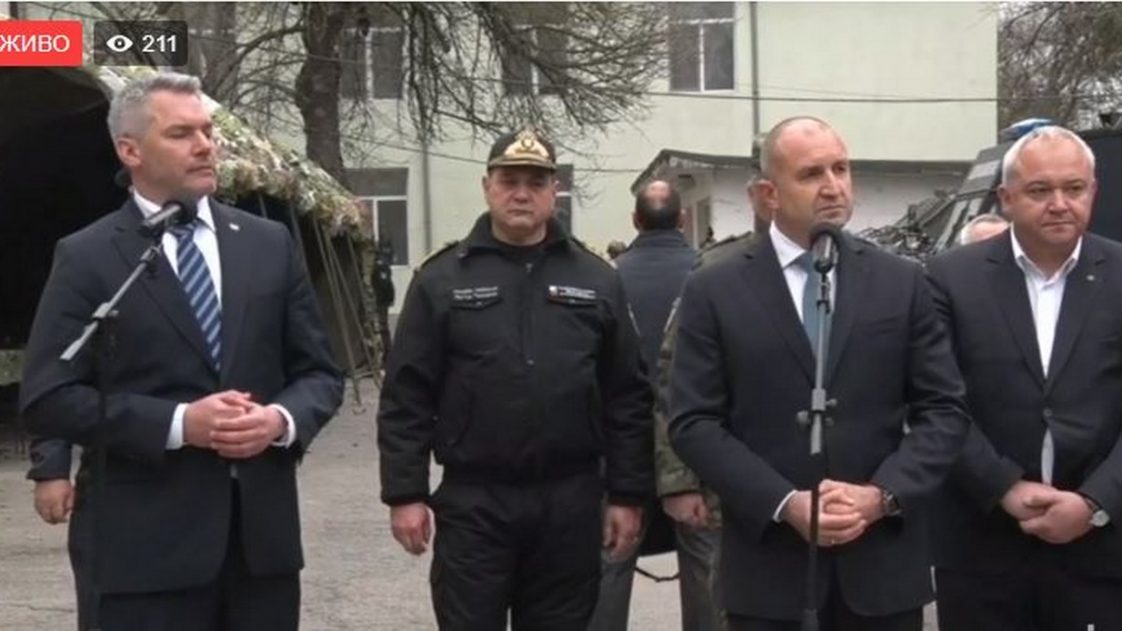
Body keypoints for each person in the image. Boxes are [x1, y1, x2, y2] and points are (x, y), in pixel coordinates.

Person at [19, 71, 343, 631]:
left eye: (208, 131)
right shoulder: (88, 256)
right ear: (130, 151)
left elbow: (320, 373)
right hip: (141, 556)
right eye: (180, 133)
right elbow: (49, 397)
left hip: (259, 551)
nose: (204, 145)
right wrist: (178, 424)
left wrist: (280, 420)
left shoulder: (268, 244)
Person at [668, 117, 970, 631]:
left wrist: (882, 496)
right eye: (811, 174)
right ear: (768, 194)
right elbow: (693, 421)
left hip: (881, 568)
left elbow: (944, 410)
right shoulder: (714, 289)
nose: (833, 186)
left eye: (841, 169)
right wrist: (784, 503)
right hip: (769, 572)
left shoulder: (902, 282)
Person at [377, 127, 653, 631]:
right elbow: (406, 395)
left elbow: (628, 396)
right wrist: (405, 493)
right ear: (488, 187)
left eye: (535, 182)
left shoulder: (596, 278)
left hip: (569, 501)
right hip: (475, 502)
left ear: (554, 191)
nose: (521, 194)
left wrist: (628, 494)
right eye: (509, 181)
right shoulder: (442, 278)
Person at [927, 125, 1122, 631]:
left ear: (1093, 192)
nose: (1059, 204)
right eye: (1040, 190)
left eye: (1073, 189)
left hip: (1099, 553)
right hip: (981, 549)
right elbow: (933, 402)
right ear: (1006, 198)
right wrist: (1003, 487)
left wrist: (1096, 502)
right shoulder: (948, 279)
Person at [588, 180, 722, 631]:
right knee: (706, 574)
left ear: (635, 220)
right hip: (694, 453)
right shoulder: (711, 276)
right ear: (682, 219)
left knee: (612, 564)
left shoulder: (606, 278)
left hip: (620, 453)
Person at [370, 238, 396, 366]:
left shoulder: (380, 265)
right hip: (381, 300)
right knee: (382, 328)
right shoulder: (380, 264)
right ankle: (386, 355)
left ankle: (388, 355)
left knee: (382, 328)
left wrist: (383, 299)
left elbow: (384, 283)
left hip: (380, 300)